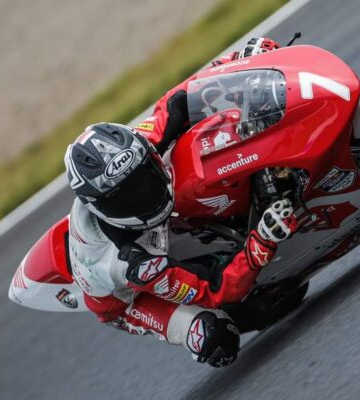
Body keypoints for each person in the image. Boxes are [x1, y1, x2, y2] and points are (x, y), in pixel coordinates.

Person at [63, 38, 292, 367]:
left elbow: (182, 97)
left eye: (144, 177)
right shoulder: (132, 262)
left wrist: (239, 60)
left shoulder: (136, 147)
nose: (145, 194)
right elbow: (213, 288)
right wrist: (260, 245)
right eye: (128, 197)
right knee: (215, 336)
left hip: (152, 229)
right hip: (123, 299)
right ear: (101, 207)